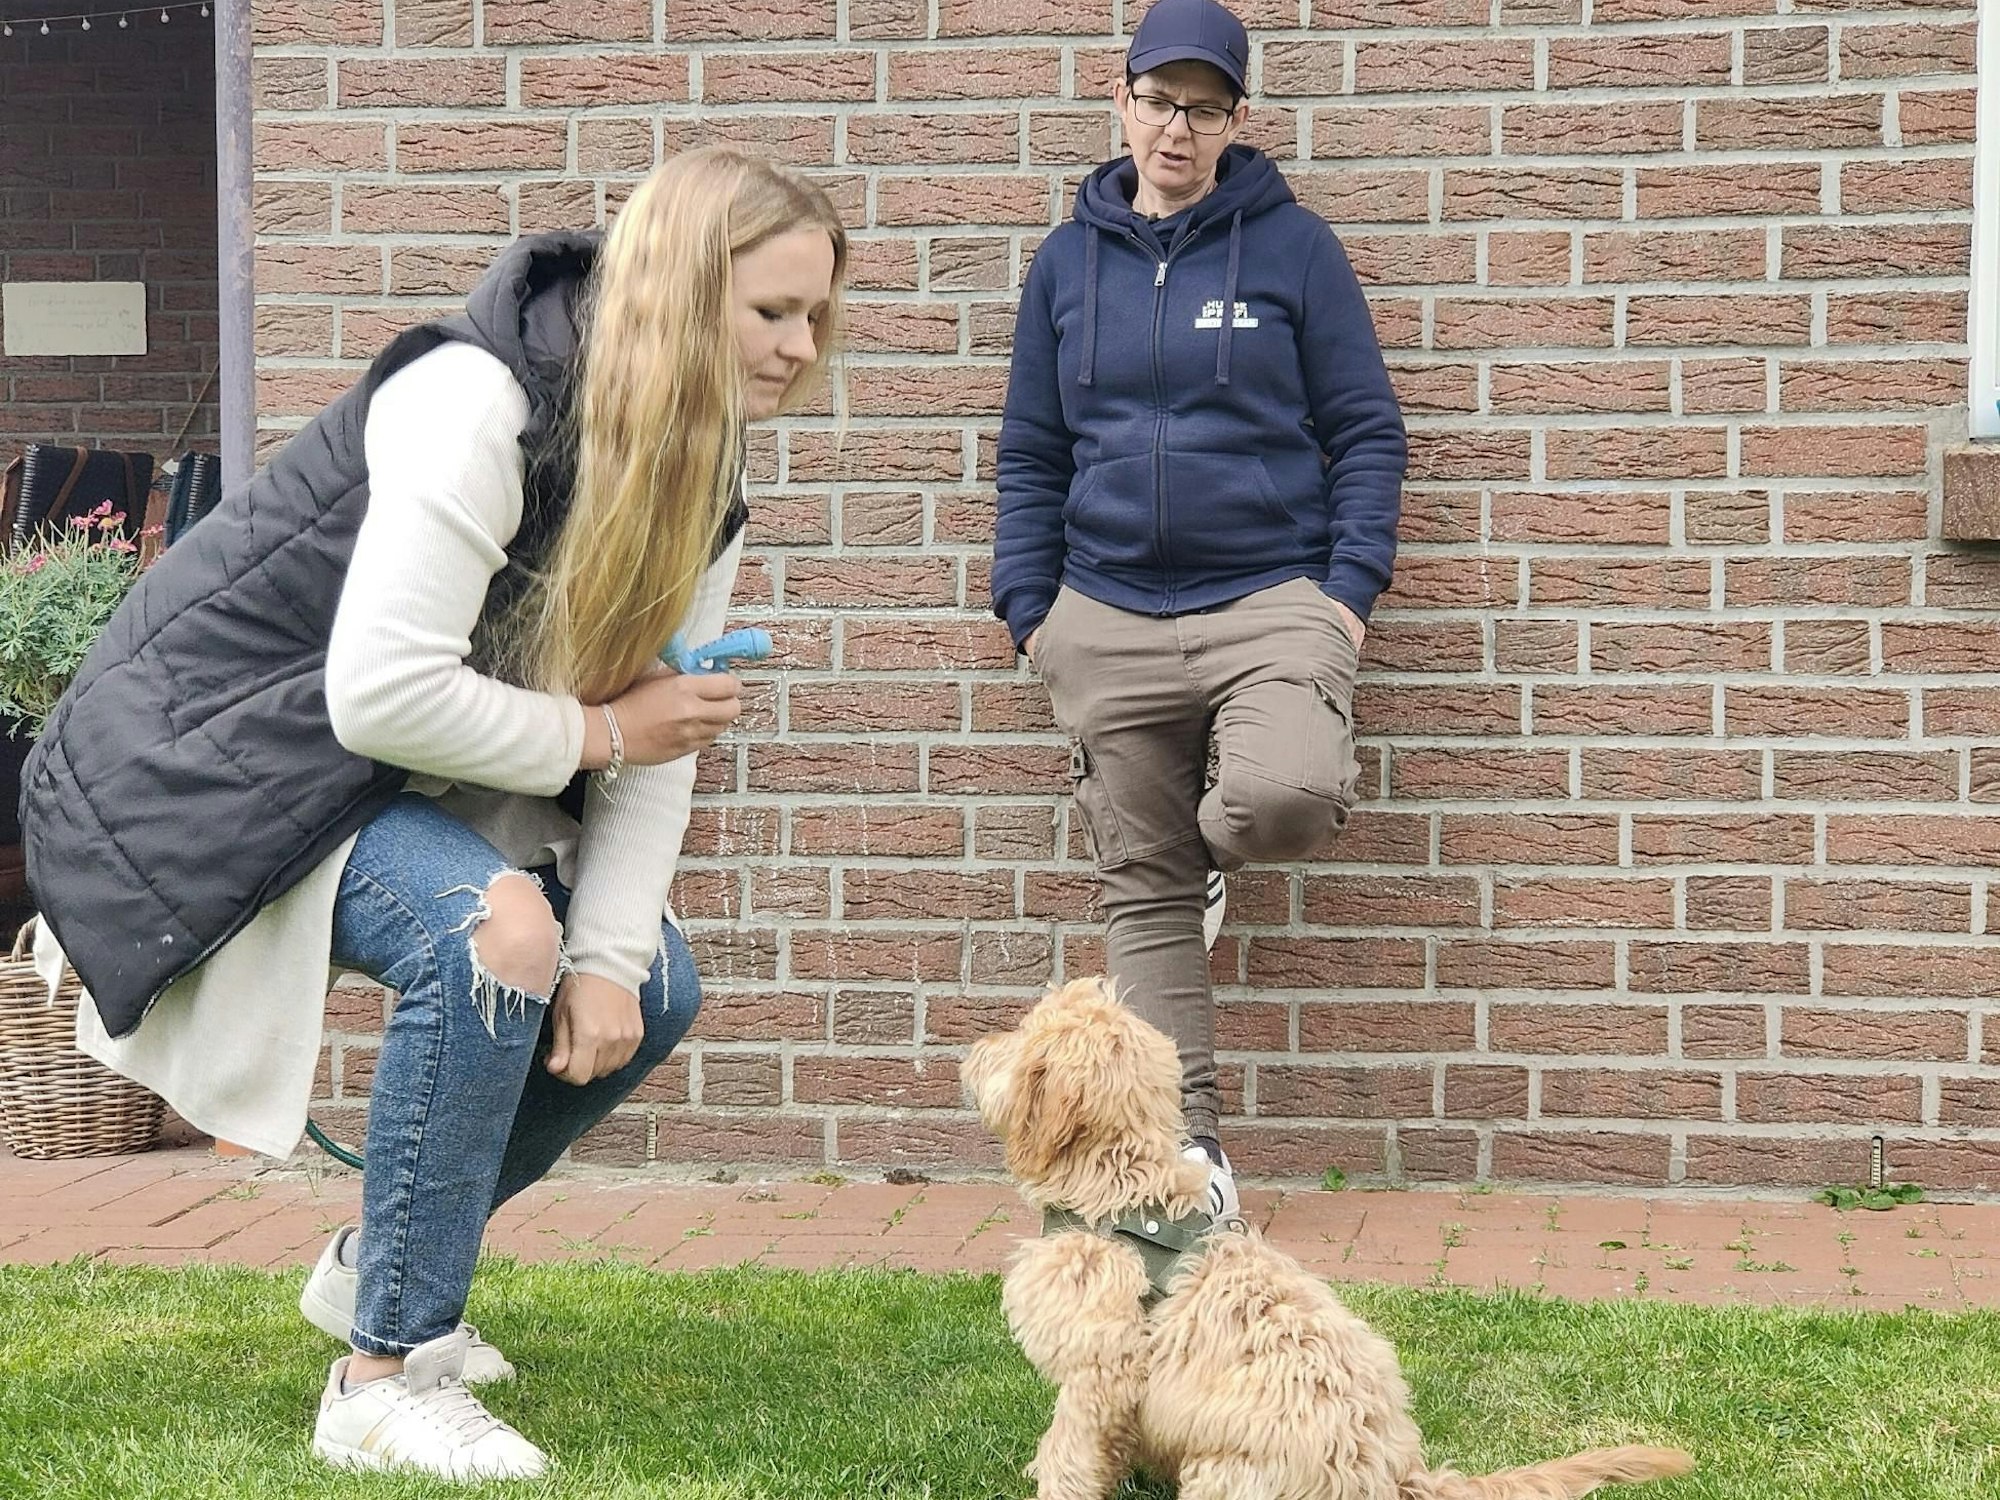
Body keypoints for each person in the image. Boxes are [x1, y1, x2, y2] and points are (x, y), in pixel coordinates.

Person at [20, 147, 847, 1480]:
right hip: (192, 764)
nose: (802, 346)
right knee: (494, 932)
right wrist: (599, 733)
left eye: (817, 316)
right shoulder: (476, 401)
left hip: (356, 771)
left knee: (650, 984)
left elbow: (663, 729)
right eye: (770, 312)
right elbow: (381, 697)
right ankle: (382, 1376)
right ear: (676, 293)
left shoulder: (704, 467)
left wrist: (610, 956)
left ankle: (377, 1273)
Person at [992, 0, 1408, 1219]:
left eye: (1206, 105)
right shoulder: (1065, 263)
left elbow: (1365, 432)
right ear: (1115, 98)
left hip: (1267, 597)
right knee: (1146, 895)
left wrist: (1343, 600)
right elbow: (1030, 451)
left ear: (1237, 117)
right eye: (1159, 99)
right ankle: (1194, 1162)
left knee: (1279, 798)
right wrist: (1032, 610)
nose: (1179, 127)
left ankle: (1204, 852)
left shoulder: (1292, 251)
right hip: (1102, 611)